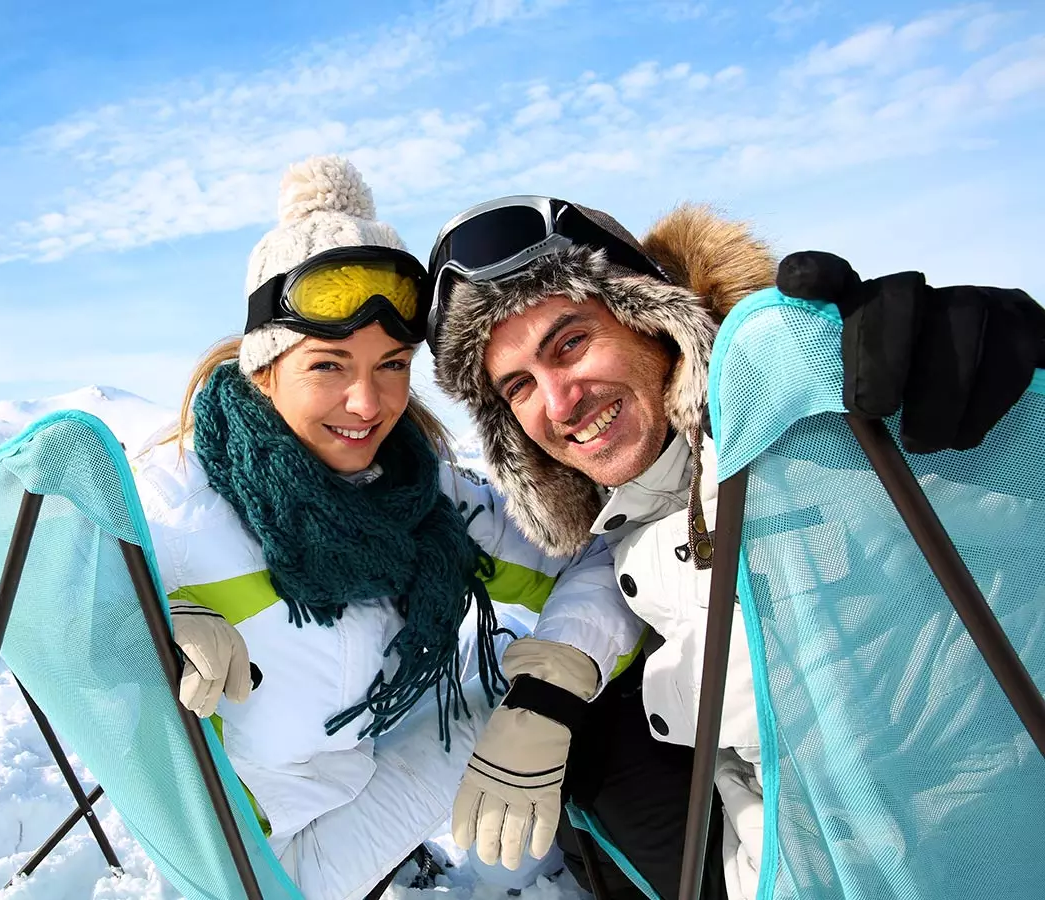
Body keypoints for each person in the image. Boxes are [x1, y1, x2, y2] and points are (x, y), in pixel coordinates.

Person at [425, 195, 1045, 900]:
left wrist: (1002, 386)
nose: (560, 403)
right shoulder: (644, 499)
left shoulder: (825, 425)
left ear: (650, 317)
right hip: (779, 860)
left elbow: (1012, 501)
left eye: (569, 343)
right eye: (519, 387)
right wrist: (549, 681)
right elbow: (631, 551)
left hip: (974, 844)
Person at [132, 157, 647, 900]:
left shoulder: (419, 490)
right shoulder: (172, 500)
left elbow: (594, 561)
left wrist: (556, 684)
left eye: (392, 365)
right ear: (265, 368)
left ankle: (517, 873)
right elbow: (31, 601)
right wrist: (143, 621)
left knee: (521, 682)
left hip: (355, 782)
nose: (367, 403)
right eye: (328, 366)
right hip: (254, 867)